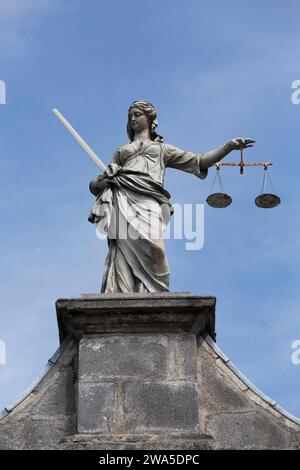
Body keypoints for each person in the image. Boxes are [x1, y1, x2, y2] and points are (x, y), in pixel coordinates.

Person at [89, 100, 254, 293]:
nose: (133, 118)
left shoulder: (162, 150)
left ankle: (153, 292)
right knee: (122, 251)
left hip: (150, 201)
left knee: (155, 249)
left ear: (150, 119)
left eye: (137, 114)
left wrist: (228, 147)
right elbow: (97, 186)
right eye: (130, 116)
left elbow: (199, 161)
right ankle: (123, 291)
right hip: (123, 198)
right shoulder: (120, 152)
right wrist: (105, 179)